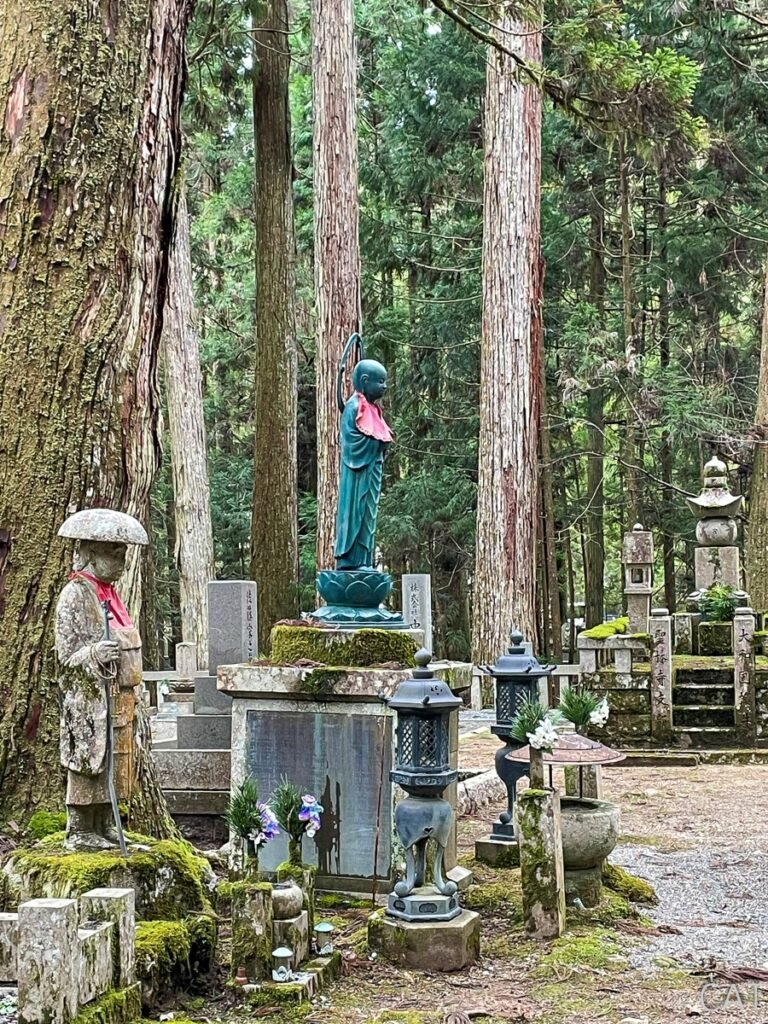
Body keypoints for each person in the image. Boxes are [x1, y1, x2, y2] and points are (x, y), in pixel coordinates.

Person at [55, 509, 148, 850]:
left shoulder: (111, 595)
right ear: (92, 553)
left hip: (119, 697)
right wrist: (94, 654)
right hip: (89, 698)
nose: (121, 561)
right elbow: (65, 656)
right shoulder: (75, 595)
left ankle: (107, 822)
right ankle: (80, 827)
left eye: (123, 553)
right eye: (114, 553)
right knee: (89, 759)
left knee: (117, 760)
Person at [334, 359, 393, 570]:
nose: (384, 387)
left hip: (372, 469)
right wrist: (376, 442)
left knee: (369, 515)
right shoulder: (353, 407)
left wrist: (382, 442)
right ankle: (350, 561)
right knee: (356, 513)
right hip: (358, 471)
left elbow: (380, 432)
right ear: (365, 381)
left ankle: (365, 560)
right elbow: (352, 441)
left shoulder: (373, 409)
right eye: (380, 382)